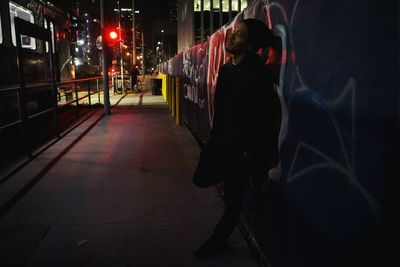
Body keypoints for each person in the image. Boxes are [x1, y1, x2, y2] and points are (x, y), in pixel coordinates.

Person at [193, 18, 281, 258]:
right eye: (233, 32)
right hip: (223, 143)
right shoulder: (226, 69)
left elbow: (265, 116)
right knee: (201, 178)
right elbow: (221, 110)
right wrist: (214, 139)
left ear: (250, 46)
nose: (231, 36)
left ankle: (217, 240)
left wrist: (252, 153)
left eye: (239, 35)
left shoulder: (257, 73)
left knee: (233, 201)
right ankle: (219, 239)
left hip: (241, 151)